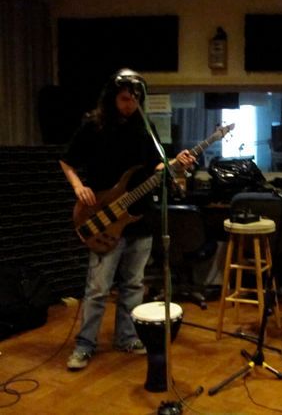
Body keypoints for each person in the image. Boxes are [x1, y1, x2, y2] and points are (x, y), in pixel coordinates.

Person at [60, 68, 195, 370]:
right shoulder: (93, 125)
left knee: (133, 284)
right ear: (112, 97)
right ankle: (85, 344)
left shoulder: (145, 127)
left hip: (140, 217)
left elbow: (156, 167)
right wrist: (79, 187)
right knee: (98, 288)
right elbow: (66, 161)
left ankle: (126, 337)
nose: (130, 105)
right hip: (103, 215)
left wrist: (176, 164)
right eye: (124, 99)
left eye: (135, 99)